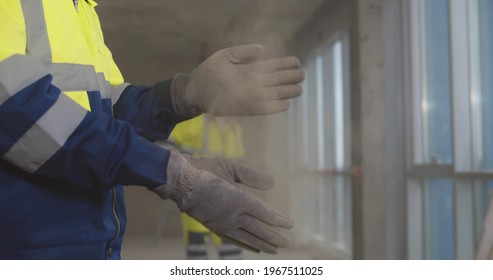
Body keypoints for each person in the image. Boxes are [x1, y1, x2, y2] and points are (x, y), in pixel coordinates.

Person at [0, 0, 305, 259]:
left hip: (90, 245)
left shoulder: (77, 9)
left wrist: (180, 95)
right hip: (25, 247)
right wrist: (171, 173)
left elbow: (104, 113)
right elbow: (15, 109)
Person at [169, 115, 246, 260]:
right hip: (197, 195)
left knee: (232, 253)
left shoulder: (234, 128)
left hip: (227, 198)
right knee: (198, 254)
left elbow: (237, 166)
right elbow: (167, 143)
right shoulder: (194, 121)